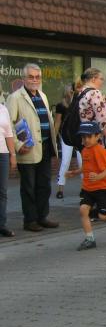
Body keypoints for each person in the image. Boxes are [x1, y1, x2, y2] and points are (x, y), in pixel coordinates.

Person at [6, 63, 59, 232]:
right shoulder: (15, 97)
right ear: (23, 78)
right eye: (31, 77)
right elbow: (8, 124)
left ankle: (42, 217)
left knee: (44, 185)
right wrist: (17, 145)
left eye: (37, 77)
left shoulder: (43, 95)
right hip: (27, 149)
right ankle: (30, 220)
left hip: (45, 147)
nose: (34, 80)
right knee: (28, 187)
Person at [66, 122, 106, 251]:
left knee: (103, 216)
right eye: (83, 137)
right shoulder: (85, 150)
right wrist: (75, 172)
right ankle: (90, 239)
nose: (86, 140)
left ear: (98, 136)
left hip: (102, 189)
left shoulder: (100, 151)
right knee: (83, 210)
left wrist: (98, 177)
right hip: (88, 188)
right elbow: (86, 167)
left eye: (89, 136)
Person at [54, 83, 84, 199]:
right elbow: (58, 122)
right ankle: (60, 188)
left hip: (79, 136)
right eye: (71, 91)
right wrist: (54, 137)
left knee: (82, 162)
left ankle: (85, 189)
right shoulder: (61, 106)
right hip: (66, 136)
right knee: (65, 161)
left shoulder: (80, 103)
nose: (72, 93)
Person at [78, 68, 106, 154]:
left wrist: (105, 105)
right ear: (93, 79)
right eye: (101, 79)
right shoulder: (95, 93)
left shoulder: (81, 92)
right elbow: (102, 121)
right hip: (98, 141)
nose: (103, 81)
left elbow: (88, 113)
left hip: (86, 138)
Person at [0, 100, 16, 236]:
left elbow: (9, 133)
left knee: (2, 192)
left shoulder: (3, 109)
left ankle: (2, 225)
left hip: (3, 153)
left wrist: (12, 154)